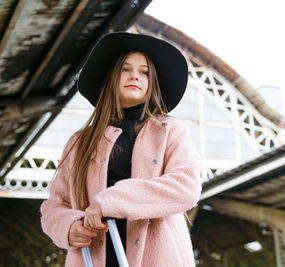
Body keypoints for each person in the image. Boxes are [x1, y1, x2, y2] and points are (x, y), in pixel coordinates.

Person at [40, 32, 202, 267]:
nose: (135, 75)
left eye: (144, 72)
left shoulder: (170, 131)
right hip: (91, 259)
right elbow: (53, 206)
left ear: (152, 82)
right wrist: (69, 226)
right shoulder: (79, 143)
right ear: (110, 77)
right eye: (125, 69)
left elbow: (186, 187)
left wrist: (110, 200)